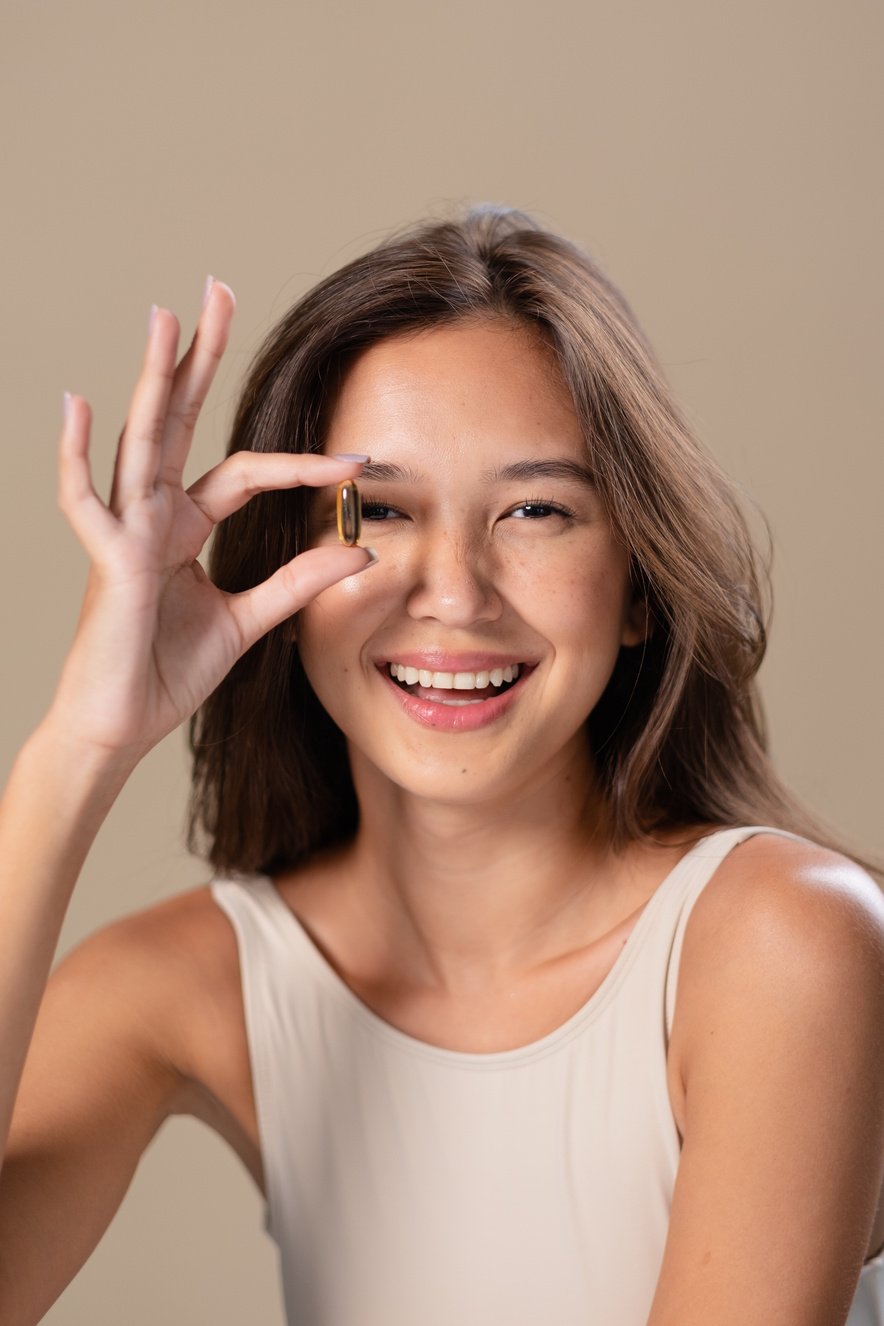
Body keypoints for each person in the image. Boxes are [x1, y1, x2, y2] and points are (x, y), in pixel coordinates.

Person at [0, 206, 881, 1326]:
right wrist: (79, 746)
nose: (454, 592)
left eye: (535, 510)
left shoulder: (783, 942)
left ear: (637, 591)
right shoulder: (197, 983)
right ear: (283, 577)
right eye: (379, 511)